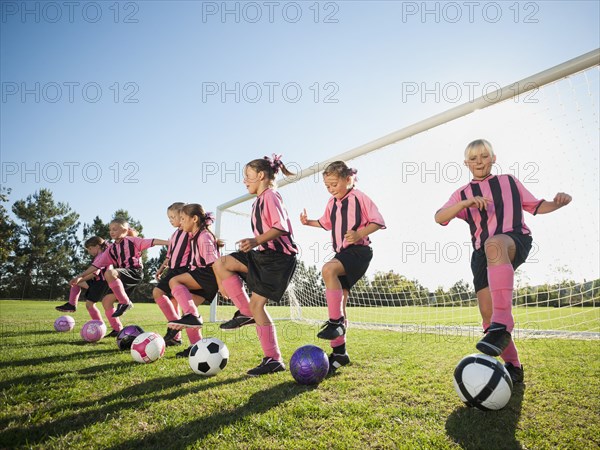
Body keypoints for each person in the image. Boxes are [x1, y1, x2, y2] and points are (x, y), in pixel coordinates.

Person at [434, 138, 572, 383]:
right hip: (481, 255)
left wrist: (558, 203)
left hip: (513, 239)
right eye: (474, 158)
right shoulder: (462, 193)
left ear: (493, 158)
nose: (479, 161)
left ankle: (503, 321)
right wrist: (465, 204)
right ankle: (514, 365)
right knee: (487, 314)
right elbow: (439, 217)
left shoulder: (509, 181)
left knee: (495, 244)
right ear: (466, 163)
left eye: (484, 156)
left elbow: (537, 206)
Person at [213, 154, 297, 376]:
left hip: (278, 259)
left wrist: (255, 240)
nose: (244, 180)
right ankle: (244, 311)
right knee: (221, 264)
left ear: (260, 176)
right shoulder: (259, 200)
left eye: (247, 176)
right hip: (263, 255)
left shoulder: (270, 196)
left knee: (258, 305)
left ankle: (273, 359)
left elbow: (280, 227)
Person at [300, 161, 385, 374]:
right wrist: (307, 222)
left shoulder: (359, 197)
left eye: (334, 184)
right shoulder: (332, 203)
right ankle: (340, 354)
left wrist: (359, 233)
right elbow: (325, 223)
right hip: (343, 254)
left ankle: (335, 322)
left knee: (328, 270)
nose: (331, 189)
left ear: (348, 179)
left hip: (359, 252)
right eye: (327, 186)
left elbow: (378, 221)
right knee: (341, 301)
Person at [70, 218, 168, 336]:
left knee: (109, 273)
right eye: (110, 229)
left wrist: (169, 243)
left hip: (135, 272)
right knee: (106, 301)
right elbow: (95, 266)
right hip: (121, 277)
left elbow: (152, 241)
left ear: (125, 230)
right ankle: (117, 330)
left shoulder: (133, 241)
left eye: (115, 229)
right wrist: (79, 277)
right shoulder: (111, 249)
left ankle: (125, 302)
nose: (111, 232)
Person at [166, 203, 223, 358]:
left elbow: (215, 263)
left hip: (208, 275)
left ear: (195, 219)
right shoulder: (194, 234)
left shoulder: (204, 236)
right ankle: (195, 347)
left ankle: (192, 317)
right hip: (203, 276)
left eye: (183, 219)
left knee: (174, 281)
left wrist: (221, 284)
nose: (181, 222)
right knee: (188, 310)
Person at [153, 202, 191, 347]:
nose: (171, 220)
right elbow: (169, 256)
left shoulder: (189, 232)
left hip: (184, 270)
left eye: (173, 217)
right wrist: (161, 268)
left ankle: (174, 329)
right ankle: (175, 335)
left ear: (182, 215)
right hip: (173, 270)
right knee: (173, 302)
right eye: (169, 218)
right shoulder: (174, 235)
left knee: (157, 292)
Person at [57, 237, 111, 326]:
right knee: (76, 283)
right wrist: (78, 279)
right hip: (98, 282)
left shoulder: (101, 256)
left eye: (90, 249)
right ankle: (71, 304)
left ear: (97, 246)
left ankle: (99, 325)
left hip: (102, 283)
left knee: (90, 305)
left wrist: (80, 278)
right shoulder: (101, 255)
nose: (89, 252)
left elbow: (94, 273)